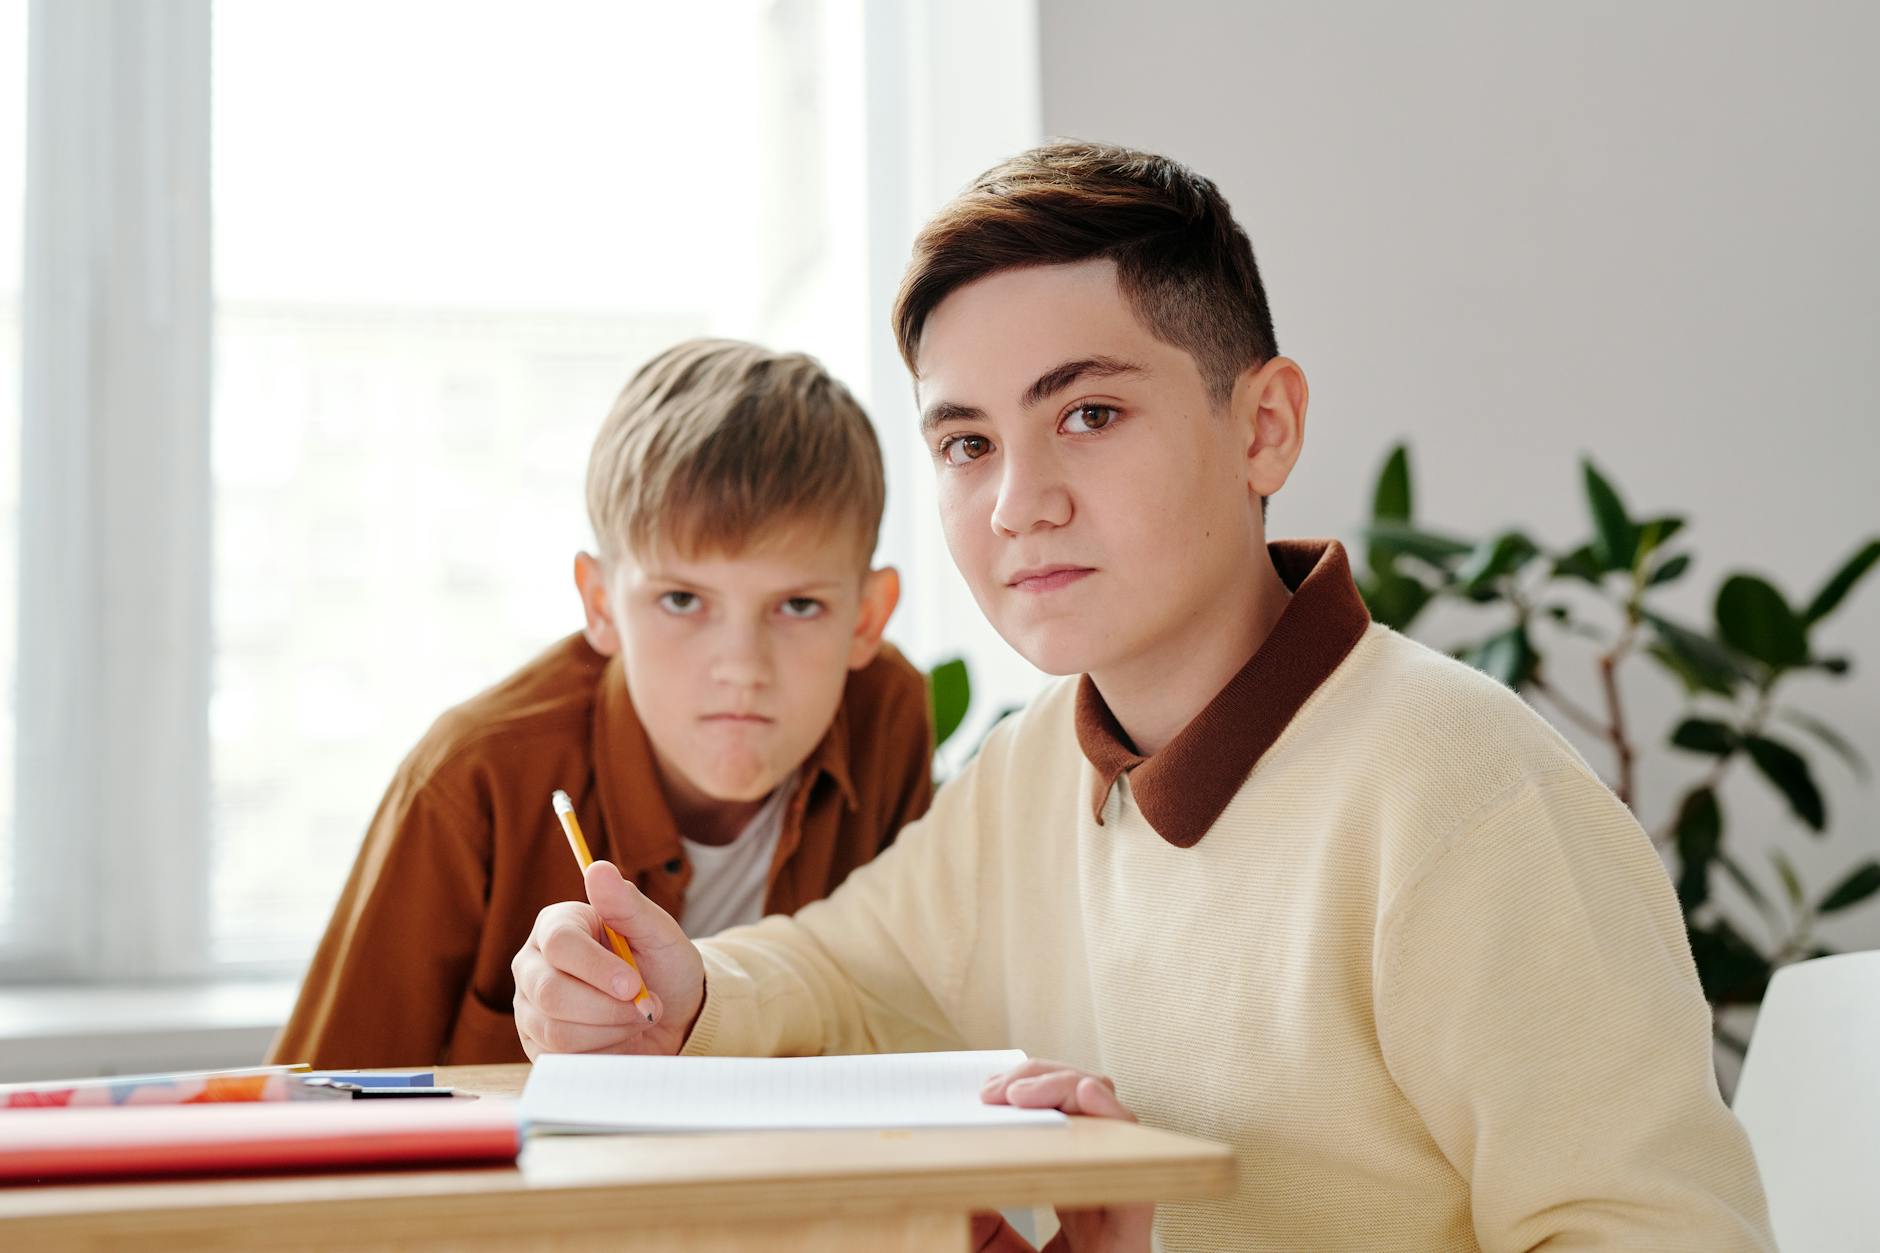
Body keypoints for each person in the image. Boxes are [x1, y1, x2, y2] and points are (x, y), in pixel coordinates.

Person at [511, 145, 1774, 1251]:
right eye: (967, 444)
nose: (1019, 502)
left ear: (1262, 427)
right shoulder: (1033, 769)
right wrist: (680, 996)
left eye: (1091, 412)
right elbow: (839, 977)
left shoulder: (1462, 795)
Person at [272, 338, 932, 1068]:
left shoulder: (889, 715)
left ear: (867, 617)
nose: (742, 667)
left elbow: (895, 1011)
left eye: (799, 605)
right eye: (682, 599)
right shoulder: (470, 778)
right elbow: (320, 1101)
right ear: (601, 603)